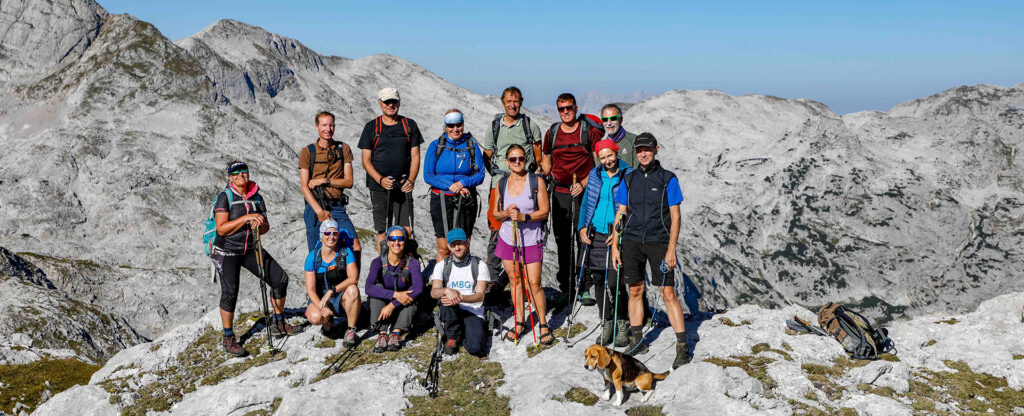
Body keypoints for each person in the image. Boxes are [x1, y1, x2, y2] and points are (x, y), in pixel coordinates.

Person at [610, 133, 690, 369]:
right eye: (639, 150)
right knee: (635, 289)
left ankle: (682, 347)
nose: (643, 153)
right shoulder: (629, 179)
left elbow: (676, 217)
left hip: (658, 242)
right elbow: (621, 212)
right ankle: (638, 340)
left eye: (647, 149)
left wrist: (671, 250)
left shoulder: (667, 179)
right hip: (632, 241)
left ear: (656, 149)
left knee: (668, 293)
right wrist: (615, 245)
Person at [210, 161, 297, 357]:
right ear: (230, 178)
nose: (241, 175)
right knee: (230, 291)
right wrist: (246, 219)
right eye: (236, 172)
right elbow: (221, 229)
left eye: (244, 171)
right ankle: (228, 337)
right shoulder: (225, 197)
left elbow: (265, 228)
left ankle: (278, 322)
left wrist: (261, 223)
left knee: (280, 279)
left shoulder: (257, 197)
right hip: (227, 251)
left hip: (251, 248)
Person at [481, 87, 544, 298]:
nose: (513, 105)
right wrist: (498, 175)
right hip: (499, 184)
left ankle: (523, 279)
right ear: (503, 102)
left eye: (516, 101)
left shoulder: (529, 125)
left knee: (525, 228)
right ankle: (493, 279)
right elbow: (487, 154)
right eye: (509, 101)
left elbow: (537, 154)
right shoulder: (495, 126)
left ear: (521, 102)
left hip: (524, 184)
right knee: (497, 230)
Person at [541, 93, 603, 304]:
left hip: (583, 193)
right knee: (562, 241)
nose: (565, 111)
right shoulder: (553, 132)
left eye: (568, 107)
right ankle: (567, 287)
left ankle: (583, 286)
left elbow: (599, 164)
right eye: (561, 108)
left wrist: (584, 184)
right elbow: (547, 160)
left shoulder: (589, 132)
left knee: (582, 237)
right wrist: (541, 179)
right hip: (559, 193)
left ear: (576, 108)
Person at [492, 145, 552, 344]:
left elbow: (544, 211)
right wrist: (507, 213)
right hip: (508, 238)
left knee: (533, 282)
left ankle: (543, 323)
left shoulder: (536, 182)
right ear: (507, 162)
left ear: (525, 160)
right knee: (514, 279)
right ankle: (520, 320)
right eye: (512, 159)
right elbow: (496, 214)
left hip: (531, 238)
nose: (517, 162)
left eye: (520, 158)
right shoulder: (501, 183)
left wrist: (523, 216)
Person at [578, 139, 633, 347]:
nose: (607, 160)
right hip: (596, 232)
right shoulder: (594, 174)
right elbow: (586, 201)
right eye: (603, 157)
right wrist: (582, 227)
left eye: (610, 155)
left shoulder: (628, 174)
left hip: (616, 233)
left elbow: (629, 206)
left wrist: (619, 233)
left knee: (614, 281)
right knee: (598, 280)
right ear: (598, 158)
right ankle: (606, 321)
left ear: (616, 153)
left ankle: (622, 321)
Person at [358, 87, 424, 252]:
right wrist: (380, 179)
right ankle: (384, 268)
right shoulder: (371, 127)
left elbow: (415, 156)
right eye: (387, 102)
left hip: (403, 185)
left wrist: (411, 180)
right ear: (380, 103)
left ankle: (406, 268)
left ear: (399, 102)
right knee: (382, 231)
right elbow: (365, 160)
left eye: (393, 101)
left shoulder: (409, 125)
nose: (390, 105)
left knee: (406, 230)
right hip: (379, 187)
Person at [299, 111, 362, 268]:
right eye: (324, 125)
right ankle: (317, 291)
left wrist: (324, 181)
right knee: (316, 252)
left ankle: (350, 287)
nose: (328, 129)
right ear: (317, 127)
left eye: (331, 125)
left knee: (355, 247)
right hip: (314, 207)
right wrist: (319, 211)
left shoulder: (343, 149)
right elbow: (304, 186)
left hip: (336, 205)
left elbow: (349, 182)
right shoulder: (307, 152)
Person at [423, 109, 485, 262]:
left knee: (463, 245)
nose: (455, 129)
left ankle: (463, 281)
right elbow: (428, 175)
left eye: (459, 125)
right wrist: (452, 185)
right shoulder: (436, 146)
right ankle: (440, 284)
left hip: (466, 200)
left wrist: (463, 183)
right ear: (445, 126)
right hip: (441, 200)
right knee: (444, 247)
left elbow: (480, 174)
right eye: (451, 126)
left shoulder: (471, 145)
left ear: (463, 124)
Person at [430, 228, 490, 356]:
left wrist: (459, 297)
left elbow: (480, 296)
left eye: (460, 243)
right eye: (453, 245)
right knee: (445, 298)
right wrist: (446, 290)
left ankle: (463, 331)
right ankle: (452, 335)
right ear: (448, 246)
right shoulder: (442, 265)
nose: (457, 248)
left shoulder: (479, 265)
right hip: (451, 309)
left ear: (468, 242)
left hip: (473, 310)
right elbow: (434, 292)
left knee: (475, 348)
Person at [303, 219, 362, 347]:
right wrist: (321, 306)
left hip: (340, 296)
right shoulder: (313, 257)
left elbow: (353, 278)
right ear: (321, 235)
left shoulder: (346, 253)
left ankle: (350, 330)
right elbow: (311, 289)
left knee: (353, 290)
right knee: (314, 317)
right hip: (321, 298)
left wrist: (331, 291)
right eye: (327, 233)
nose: (331, 237)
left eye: (335, 233)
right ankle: (327, 321)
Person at [365, 226, 423, 352]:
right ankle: (382, 333)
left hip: (401, 305)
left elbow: (418, 288)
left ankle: (396, 333)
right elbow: (368, 288)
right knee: (377, 289)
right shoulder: (377, 262)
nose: (396, 242)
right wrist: (396, 294)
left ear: (405, 241)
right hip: (385, 305)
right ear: (388, 241)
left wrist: (392, 305)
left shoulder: (412, 262)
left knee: (411, 296)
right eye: (392, 238)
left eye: (400, 239)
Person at [599, 104, 639, 168]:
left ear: (621, 120)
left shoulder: (634, 141)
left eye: (613, 118)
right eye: (605, 120)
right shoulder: (601, 146)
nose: (609, 123)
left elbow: (638, 171)